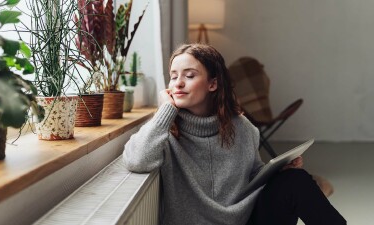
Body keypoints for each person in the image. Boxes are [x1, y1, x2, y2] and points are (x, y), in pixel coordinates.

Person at [122, 43, 346, 225]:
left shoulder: (242, 127)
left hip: (244, 221)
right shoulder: (165, 130)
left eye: (189, 76)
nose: (178, 83)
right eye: (173, 76)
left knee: (295, 180)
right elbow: (137, 160)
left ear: (213, 84)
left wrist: (277, 172)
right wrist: (166, 110)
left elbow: (252, 174)